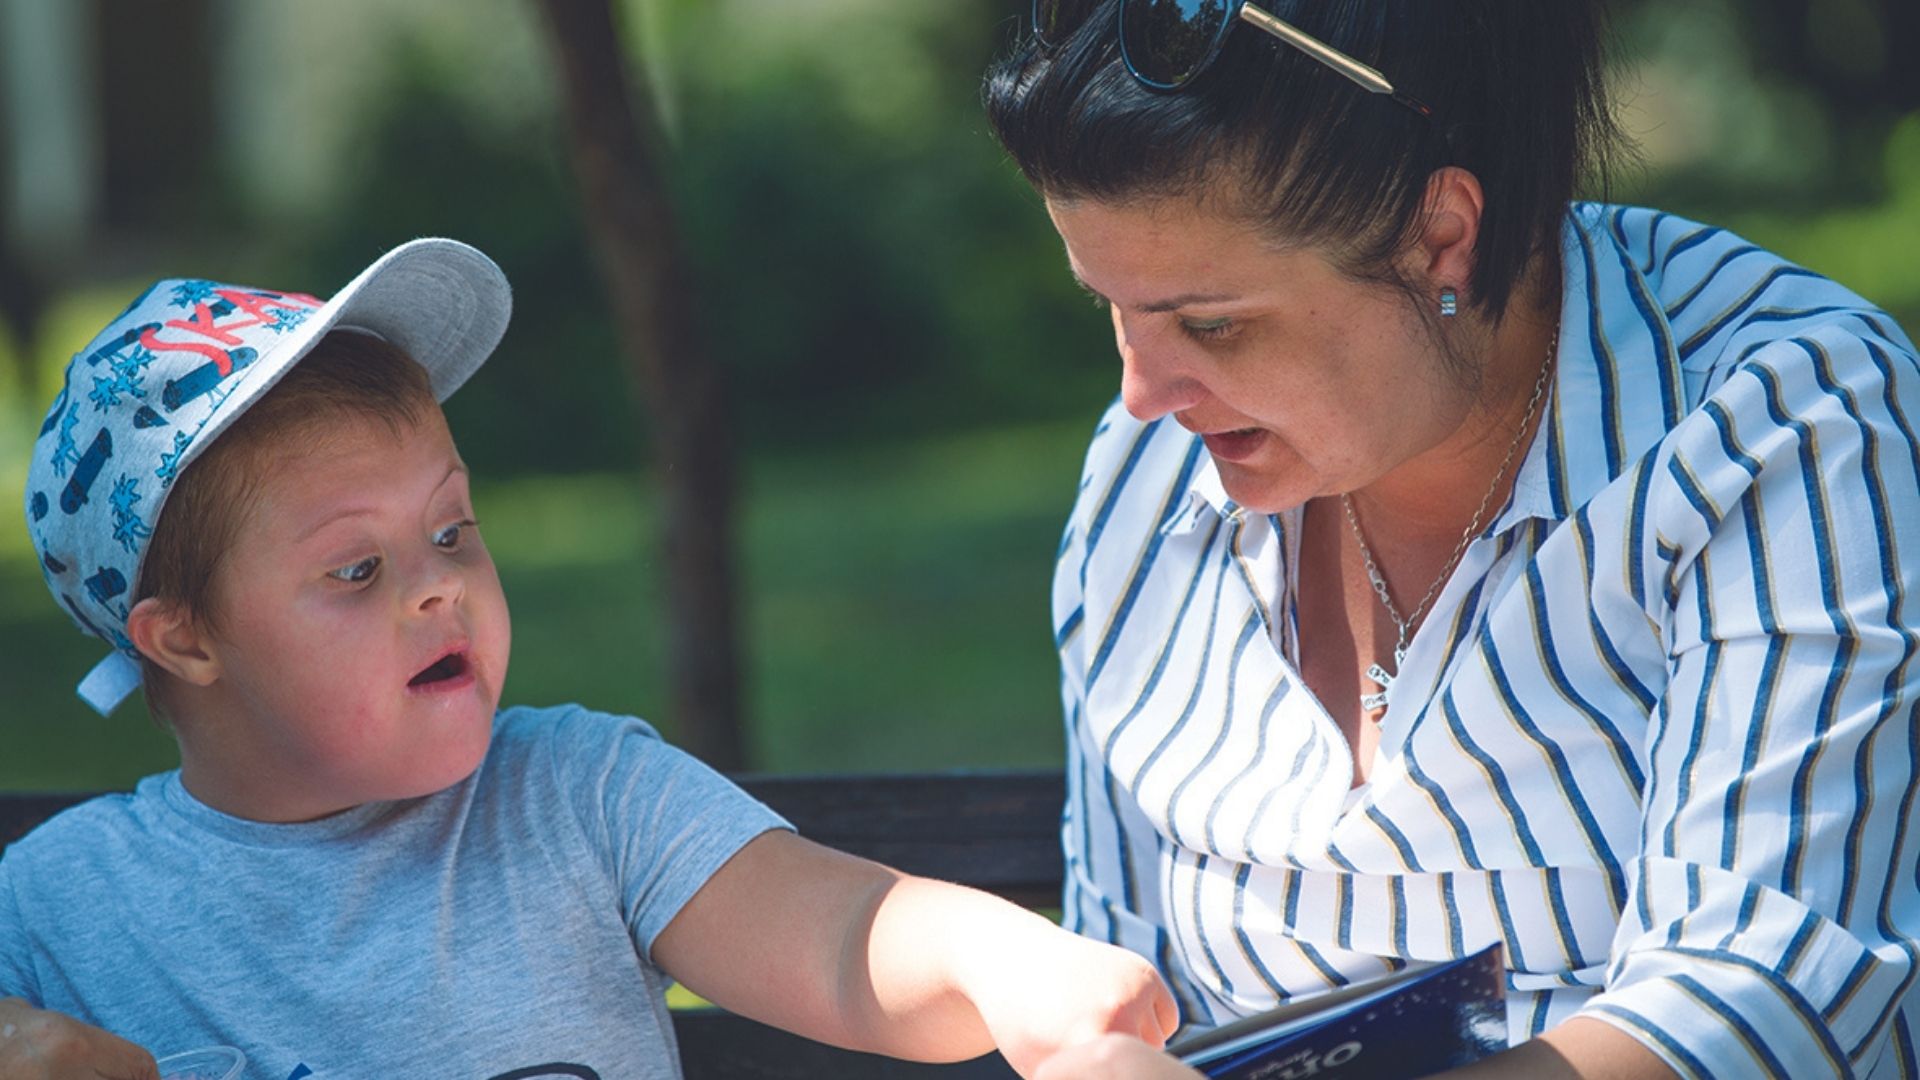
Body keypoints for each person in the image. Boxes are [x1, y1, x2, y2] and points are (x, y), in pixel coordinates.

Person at [983, 0, 1920, 1077]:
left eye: (1212, 324)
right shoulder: (1144, 478)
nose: (1140, 396)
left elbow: (1758, 1001)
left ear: (1442, 236)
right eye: (1111, 306)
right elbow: (1122, 980)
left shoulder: (1771, 421)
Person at [0, 240, 1177, 1080]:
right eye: (355, 571)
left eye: (452, 529)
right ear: (185, 638)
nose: (439, 585)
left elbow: (842, 936)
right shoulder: (55, 913)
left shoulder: (577, 795)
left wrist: (1017, 972)